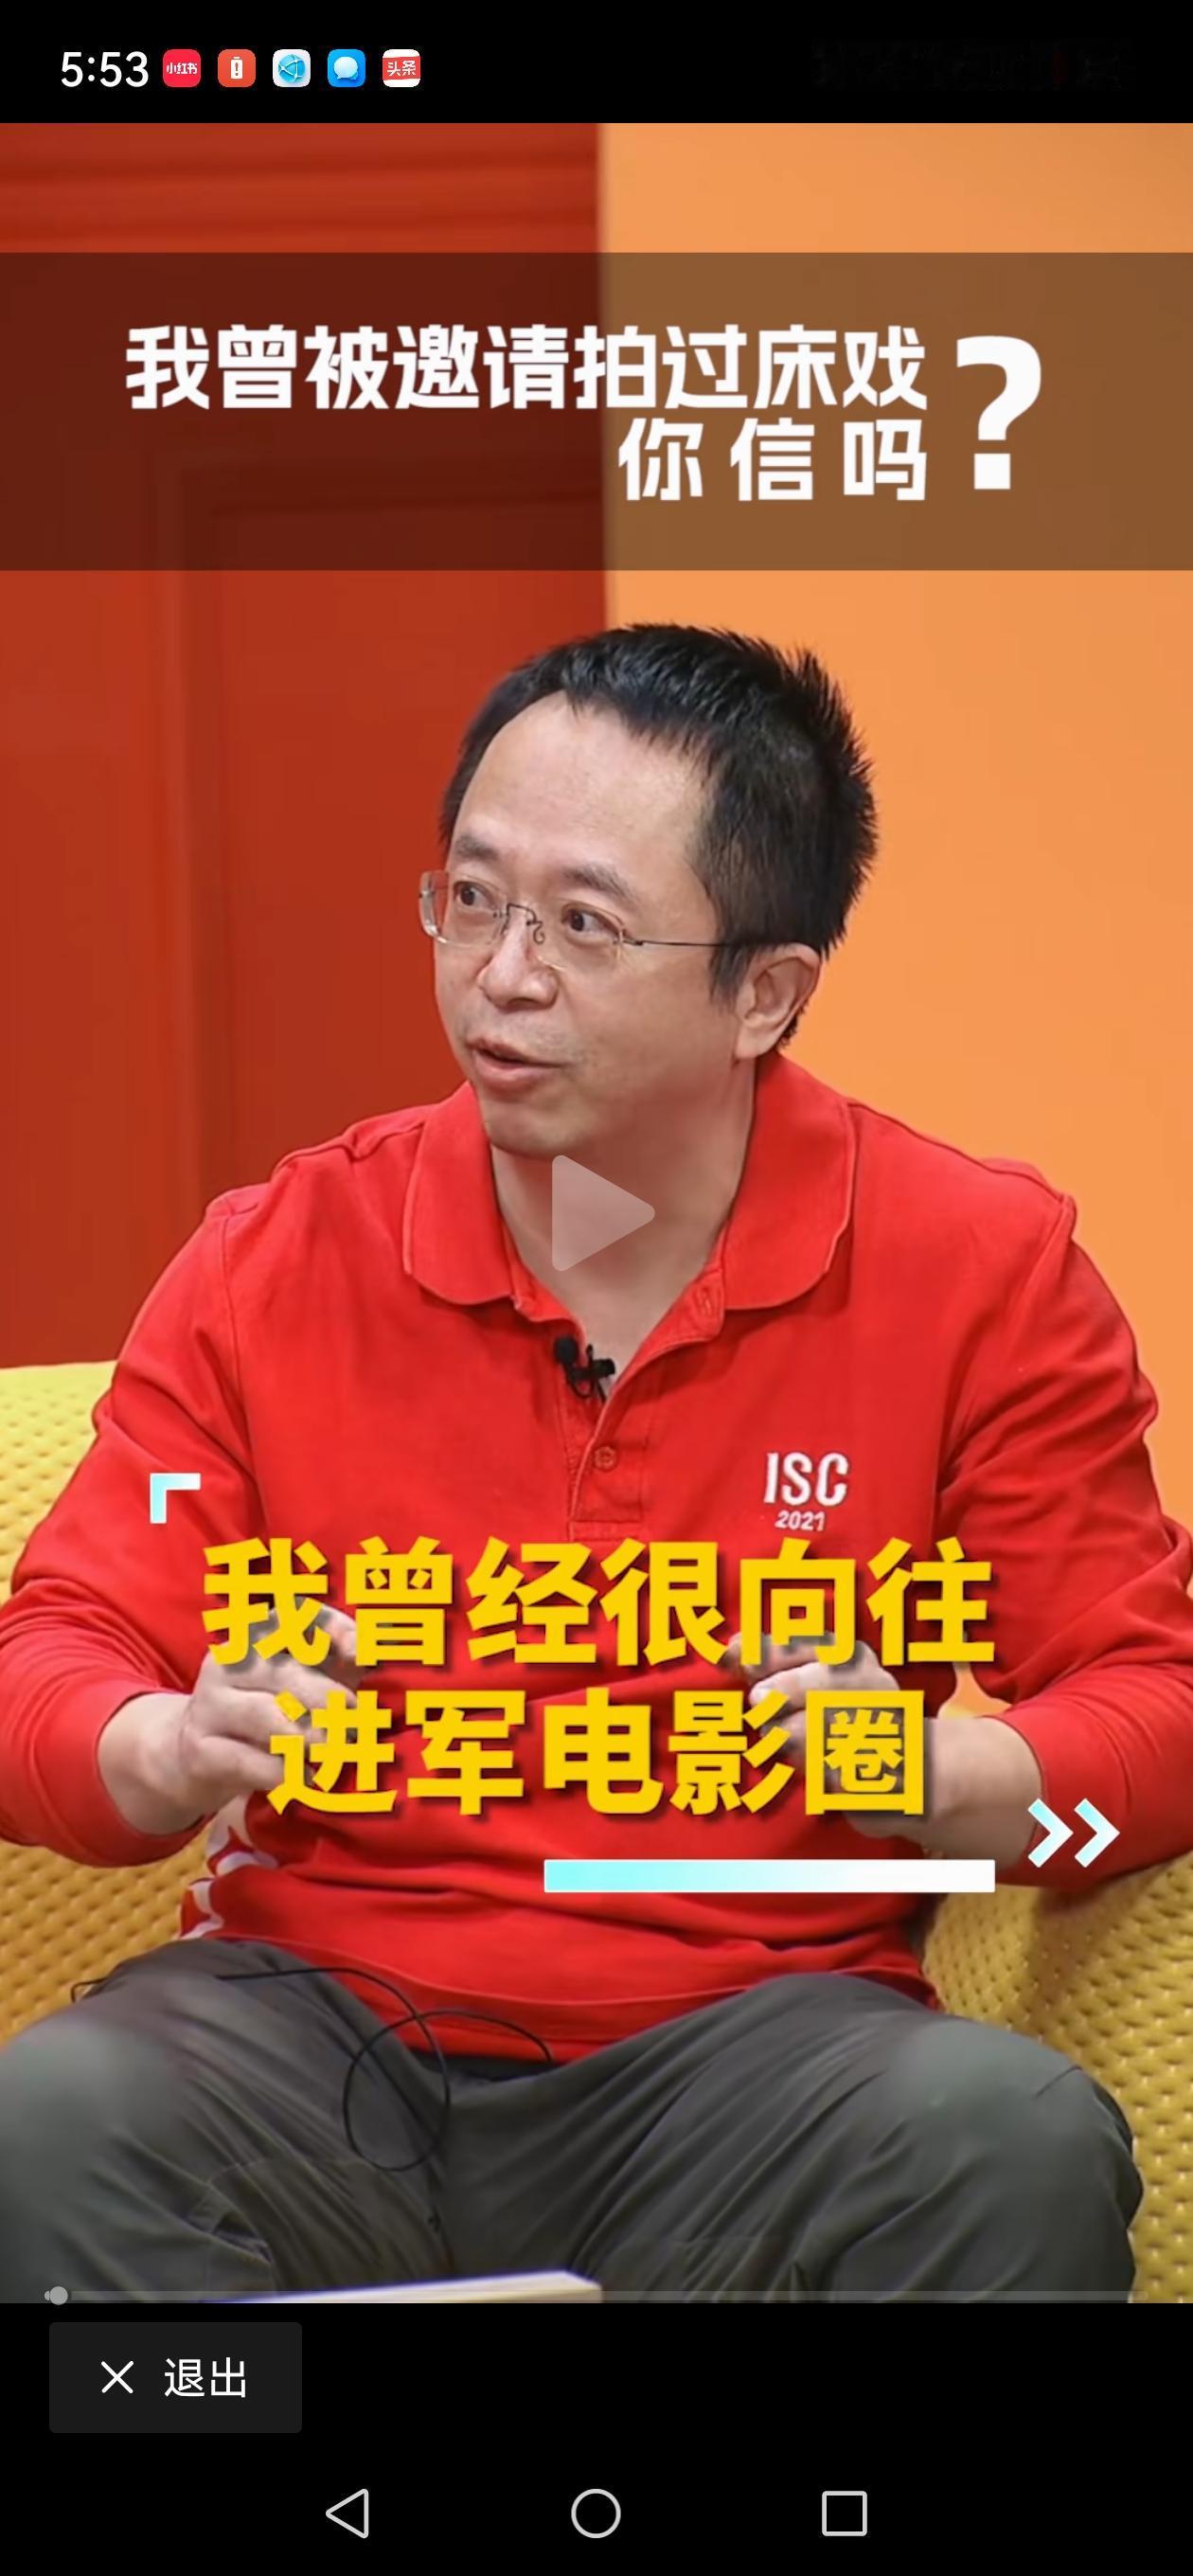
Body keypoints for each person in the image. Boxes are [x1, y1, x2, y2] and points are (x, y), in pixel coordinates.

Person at [1, 622, 1188, 2304]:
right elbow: (48, 1654)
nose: (502, 975)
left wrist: (939, 1777)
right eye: (472, 899)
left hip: (759, 2051)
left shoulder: (977, 1271)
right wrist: (164, 1743)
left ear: (764, 991)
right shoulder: (281, 1256)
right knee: (46, 2128)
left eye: (583, 925)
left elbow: (1154, 1708)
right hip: (311, 2032)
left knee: (1004, 2142)